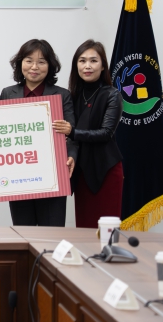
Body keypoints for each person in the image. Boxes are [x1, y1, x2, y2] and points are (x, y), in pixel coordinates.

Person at [0, 39, 77, 226]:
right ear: (20, 64)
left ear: (50, 66)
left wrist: (71, 156)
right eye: (29, 61)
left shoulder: (62, 95)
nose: (34, 67)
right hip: (18, 176)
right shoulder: (7, 93)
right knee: (23, 232)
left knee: (52, 233)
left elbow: (71, 134)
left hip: (53, 174)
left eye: (41, 62)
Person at [52, 40, 123, 229]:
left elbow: (106, 133)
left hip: (105, 169)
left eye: (93, 60)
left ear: (103, 66)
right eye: (82, 61)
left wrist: (72, 132)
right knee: (84, 229)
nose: (87, 66)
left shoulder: (112, 94)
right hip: (81, 170)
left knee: (107, 229)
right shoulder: (72, 96)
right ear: (76, 65)